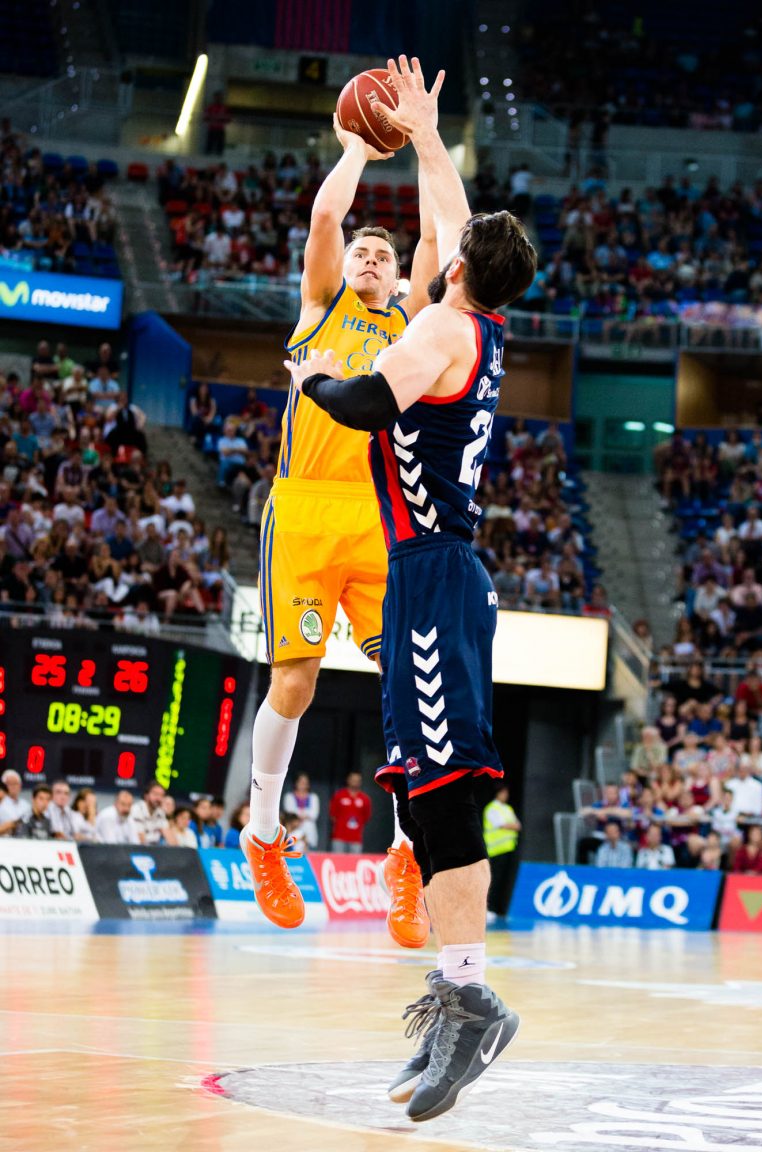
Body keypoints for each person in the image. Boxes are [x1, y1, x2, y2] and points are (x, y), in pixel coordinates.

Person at [285, 56, 537, 1122]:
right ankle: (455, 992)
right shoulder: (479, 325)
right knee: (423, 788)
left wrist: (306, 375)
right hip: (429, 573)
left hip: (432, 575)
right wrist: (430, 136)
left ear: (462, 266)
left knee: (448, 792)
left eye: (458, 235)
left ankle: (472, 1000)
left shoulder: (435, 329)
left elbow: (360, 404)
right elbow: (457, 212)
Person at [241, 88, 439, 949]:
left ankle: (406, 856)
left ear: (398, 280)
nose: (367, 254)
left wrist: (426, 144)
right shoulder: (321, 304)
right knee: (296, 681)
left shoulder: (409, 319)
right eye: (362, 248)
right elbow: (326, 214)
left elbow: (439, 238)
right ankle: (260, 835)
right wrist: (359, 146)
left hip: (380, 518)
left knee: (407, 688)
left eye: (380, 254)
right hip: (306, 511)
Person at [483, 783, 521, 918]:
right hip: (495, 850)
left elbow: (517, 825)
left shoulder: (508, 808)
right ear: (498, 793)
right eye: (504, 793)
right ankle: (488, 908)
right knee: (494, 880)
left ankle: (498, 909)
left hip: (508, 848)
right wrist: (510, 826)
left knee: (503, 881)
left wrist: (510, 826)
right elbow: (502, 825)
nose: (506, 795)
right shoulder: (492, 808)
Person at [329, 771, 372, 853]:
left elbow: (366, 817)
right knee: (338, 862)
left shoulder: (365, 799)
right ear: (348, 780)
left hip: (356, 838)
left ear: (360, 782)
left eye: (357, 781)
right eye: (353, 780)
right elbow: (332, 814)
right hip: (339, 837)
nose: (355, 782)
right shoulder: (339, 795)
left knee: (354, 862)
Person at [281, 772, 320, 849]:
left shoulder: (313, 797)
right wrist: (306, 814)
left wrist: (298, 813)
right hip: (294, 830)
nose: (303, 784)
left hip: (310, 832)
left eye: (305, 782)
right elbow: (290, 814)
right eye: (301, 782)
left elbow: (314, 815)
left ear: (308, 784)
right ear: (296, 783)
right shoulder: (289, 797)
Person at [131, 779, 168, 845]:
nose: (159, 798)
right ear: (146, 795)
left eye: (162, 795)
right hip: (138, 850)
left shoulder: (161, 812)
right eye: (156, 794)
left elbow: (169, 836)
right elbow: (141, 840)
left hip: (154, 850)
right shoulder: (136, 809)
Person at [0, 768, 30, 835]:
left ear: (20, 786)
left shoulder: (26, 805)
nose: (13, 786)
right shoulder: (1, 803)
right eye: (9, 783)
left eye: (15, 783)